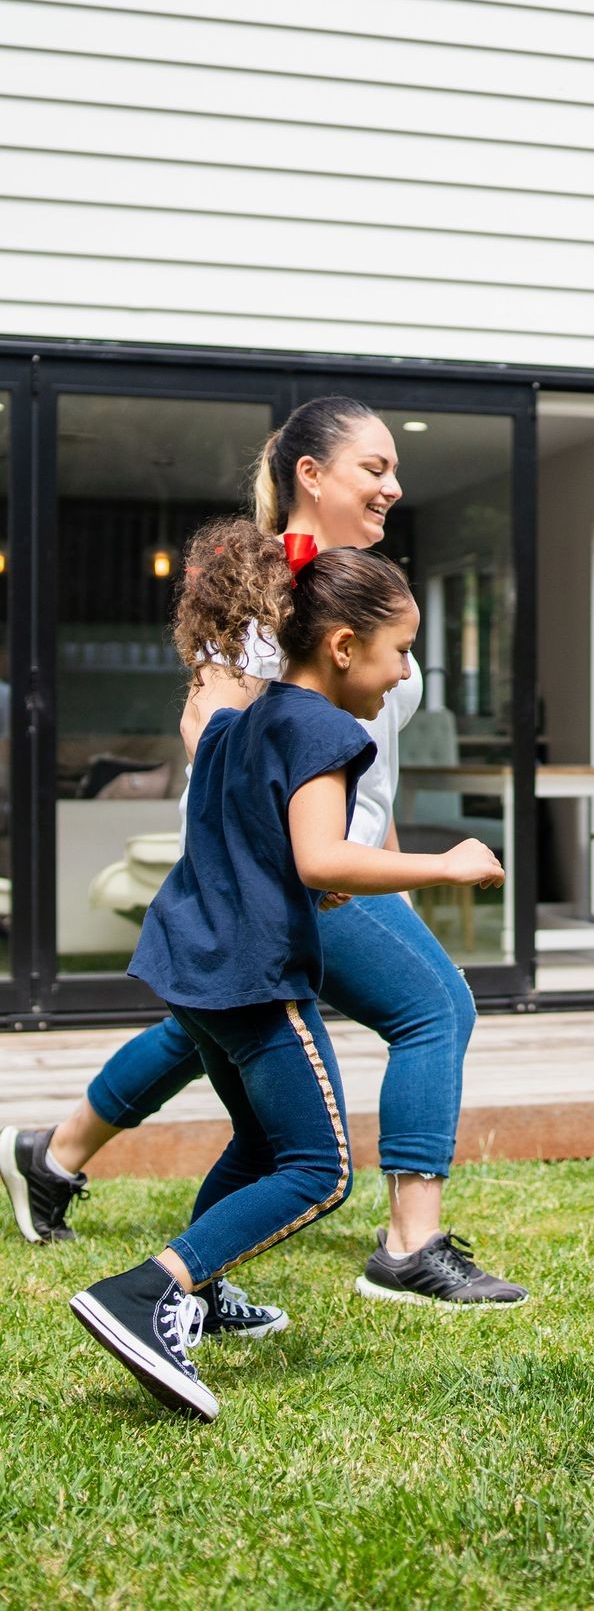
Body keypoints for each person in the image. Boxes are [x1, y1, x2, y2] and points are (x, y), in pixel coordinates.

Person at [0, 395, 527, 1312]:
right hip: (299, 870)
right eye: (375, 467)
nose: (394, 485)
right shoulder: (264, 599)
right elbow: (210, 731)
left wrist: (391, 871)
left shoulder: (357, 593)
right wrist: (280, 867)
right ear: (309, 475)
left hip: (342, 860)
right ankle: (410, 1245)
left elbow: (374, 770)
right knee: (433, 1008)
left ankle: (53, 1157)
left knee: (212, 1029)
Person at [71, 531, 504, 1419]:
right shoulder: (328, 731)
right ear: (345, 647)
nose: (402, 674)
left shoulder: (243, 718)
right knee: (319, 1168)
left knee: (265, 1144)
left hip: (189, 962)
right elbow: (320, 859)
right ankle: (148, 1291)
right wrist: (447, 865)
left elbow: (252, 840)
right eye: (401, 652)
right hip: (253, 977)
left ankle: (195, 1296)